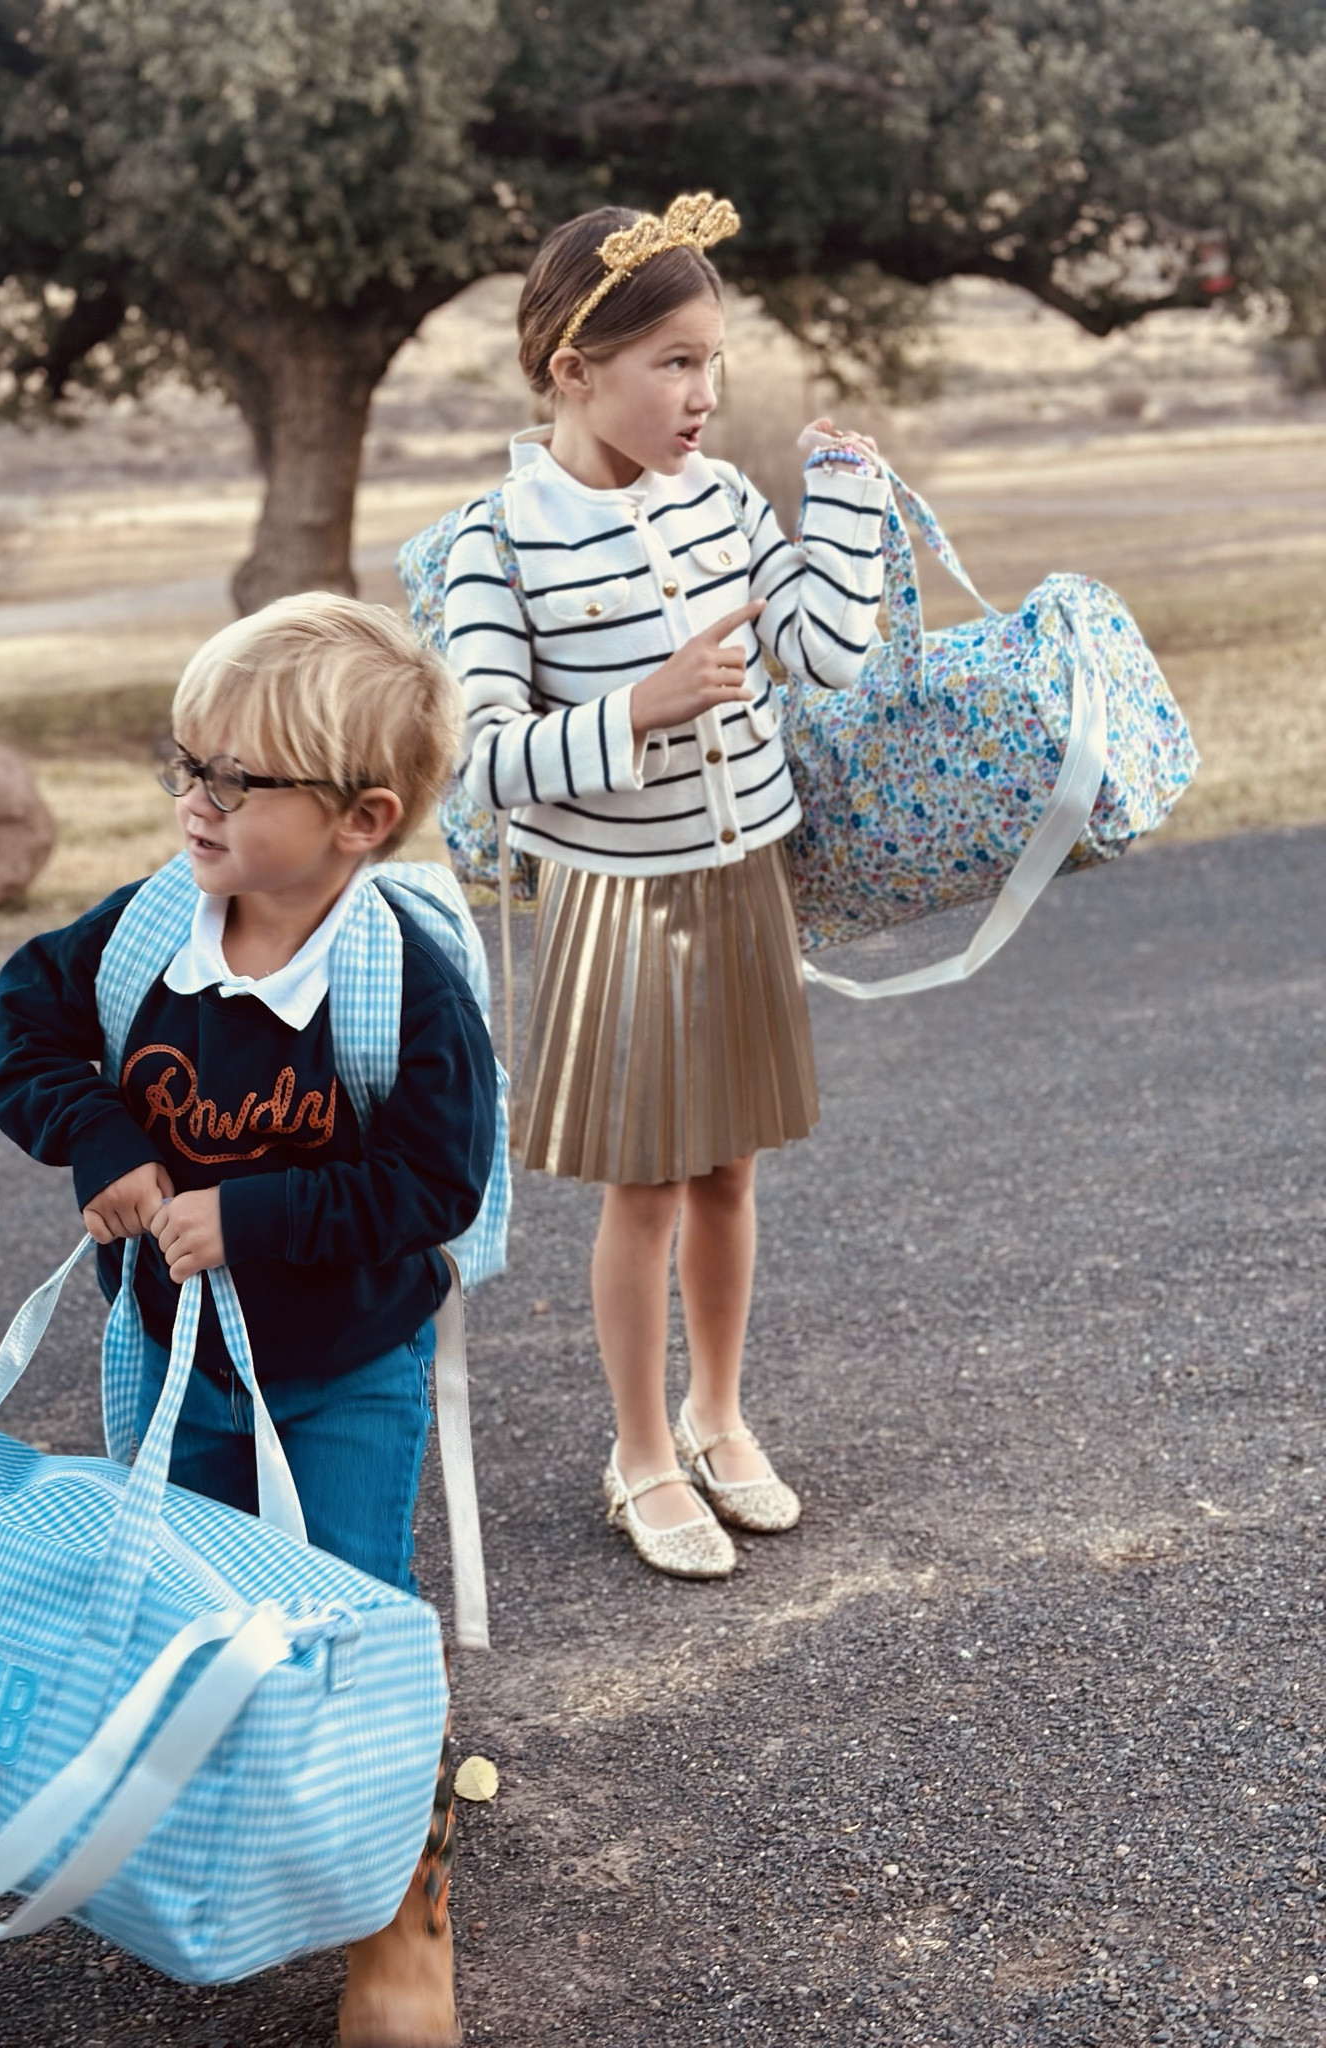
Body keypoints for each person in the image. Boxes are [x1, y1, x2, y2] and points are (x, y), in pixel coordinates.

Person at [0, 592, 497, 2048]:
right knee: (185, 1601)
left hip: (346, 1370)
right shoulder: (145, 931)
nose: (195, 801)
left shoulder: (402, 986)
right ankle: (220, 1826)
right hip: (171, 1358)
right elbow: (25, 1028)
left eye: (238, 779)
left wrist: (253, 1217)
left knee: (347, 1615)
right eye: (187, 764)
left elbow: (436, 1184)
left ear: (361, 820)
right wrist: (98, 1139)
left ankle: (401, 1913)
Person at [444, 192, 889, 1579]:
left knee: (729, 1169)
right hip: (617, 900)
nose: (706, 394)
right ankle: (639, 1450)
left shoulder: (727, 499)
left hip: (743, 874)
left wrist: (847, 499)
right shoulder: (494, 539)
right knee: (642, 1188)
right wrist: (639, 707)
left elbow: (829, 652)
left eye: (714, 362)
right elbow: (484, 761)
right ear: (574, 369)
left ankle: (718, 1415)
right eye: (675, 362)